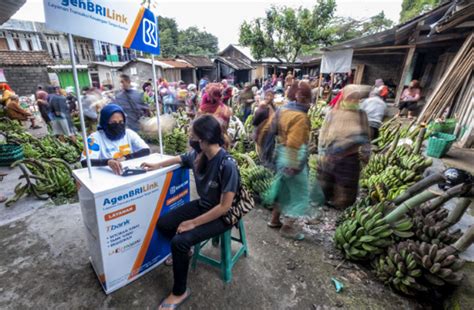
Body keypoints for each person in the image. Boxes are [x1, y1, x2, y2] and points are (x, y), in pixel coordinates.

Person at [141, 115, 239, 310]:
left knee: (179, 241)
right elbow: (179, 158)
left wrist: (193, 223)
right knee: (164, 224)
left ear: (203, 139)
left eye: (193, 135)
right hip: (204, 205)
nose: (190, 139)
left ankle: (179, 292)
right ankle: (186, 252)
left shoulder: (227, 165)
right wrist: (156, 165)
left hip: (222, 216)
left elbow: (224, 207)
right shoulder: (198, 155)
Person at [265, 81, 312, 240]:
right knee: (300, 193)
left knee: (283, 189)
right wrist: (294, 166)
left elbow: (271, 129)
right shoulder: (300, 117)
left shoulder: (283, 109)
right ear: (301, 98)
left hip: (281, 152)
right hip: (293, 155)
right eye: (308, 99)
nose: (310, 103)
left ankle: (274, 219)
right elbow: (294, 143)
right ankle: (288, 226)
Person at [317, 85, 371, 210]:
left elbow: (366, 135)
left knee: (346, 185)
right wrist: (321, 152)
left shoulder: (361, 114)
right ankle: (324, 203)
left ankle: (342, 207)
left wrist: (367, 153)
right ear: (343, 98)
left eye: (356, 98)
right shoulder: (333, 113)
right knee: (326, 183)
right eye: (350, 98)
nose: (353, 101)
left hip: (350, 157)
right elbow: (323, 132)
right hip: (331, 154)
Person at [80, 104, 150, 173]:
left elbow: (146, 150)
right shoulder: (94, 138)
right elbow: (85, 162)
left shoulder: (129, 133)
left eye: (121, 122)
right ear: (104, 123)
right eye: (113, 122)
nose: (118, 125)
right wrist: (108, 162)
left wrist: (126, 157)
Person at [252, 90, 276, 163]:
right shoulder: (263, 106)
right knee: (263, 151)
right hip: (263, 132)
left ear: (273, 97)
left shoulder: (272, 106)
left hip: (270, 132)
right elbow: (256, 121)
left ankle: (267, 165)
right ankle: (265, 164)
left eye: (270, 95)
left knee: (268, 151)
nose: (268, 97)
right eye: (267, 95)